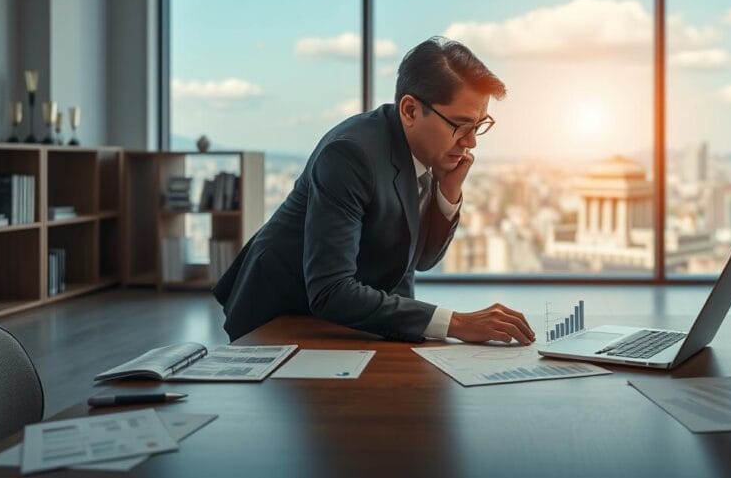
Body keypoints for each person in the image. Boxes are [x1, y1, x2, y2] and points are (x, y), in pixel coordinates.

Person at [213, 36, 535, 346]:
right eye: (459, 125)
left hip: (343, 316)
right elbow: (331, 290)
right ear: (409, 110)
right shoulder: (350, 155)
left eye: (478, 125)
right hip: (281, 313)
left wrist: (447, 193)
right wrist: (457, 323)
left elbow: (419, 260)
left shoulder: (428, 151)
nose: (470, 141)